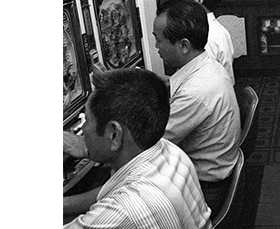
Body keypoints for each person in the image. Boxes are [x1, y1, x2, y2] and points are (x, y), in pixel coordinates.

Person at [62, 68, 212, 229]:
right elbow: (110, 189)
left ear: (114, 134)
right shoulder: (170, 151)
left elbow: (120, 208)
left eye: (87, 120)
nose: (83, 129)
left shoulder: (124, 211)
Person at [153, 0, 241, 216]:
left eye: (159, 41)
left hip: (206, 188)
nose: (156, 48)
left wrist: (89, 148)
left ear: (183, 45)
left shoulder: (196, 92)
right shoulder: (206, 65)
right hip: (215, 171)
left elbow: (147, 146)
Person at [180, 0, 235, 86]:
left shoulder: (207, 37)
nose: (181, 4)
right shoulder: (217, 29)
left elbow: (201, 84)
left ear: (199, 0)